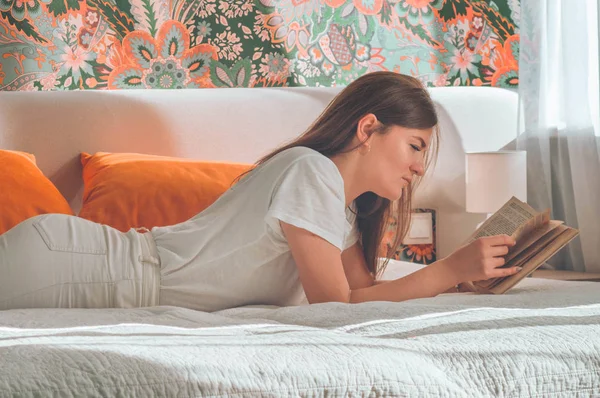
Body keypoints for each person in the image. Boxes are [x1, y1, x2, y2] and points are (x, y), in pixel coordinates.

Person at [0, 71, 519, 312]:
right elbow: (331, 304)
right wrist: (446, 270)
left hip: (101, 274)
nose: (418, 168)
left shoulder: (337, 210)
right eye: (413, 146)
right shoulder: (311, 173)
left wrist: (457, 280)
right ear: (367, 130)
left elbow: (359, 298)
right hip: (83, 266)